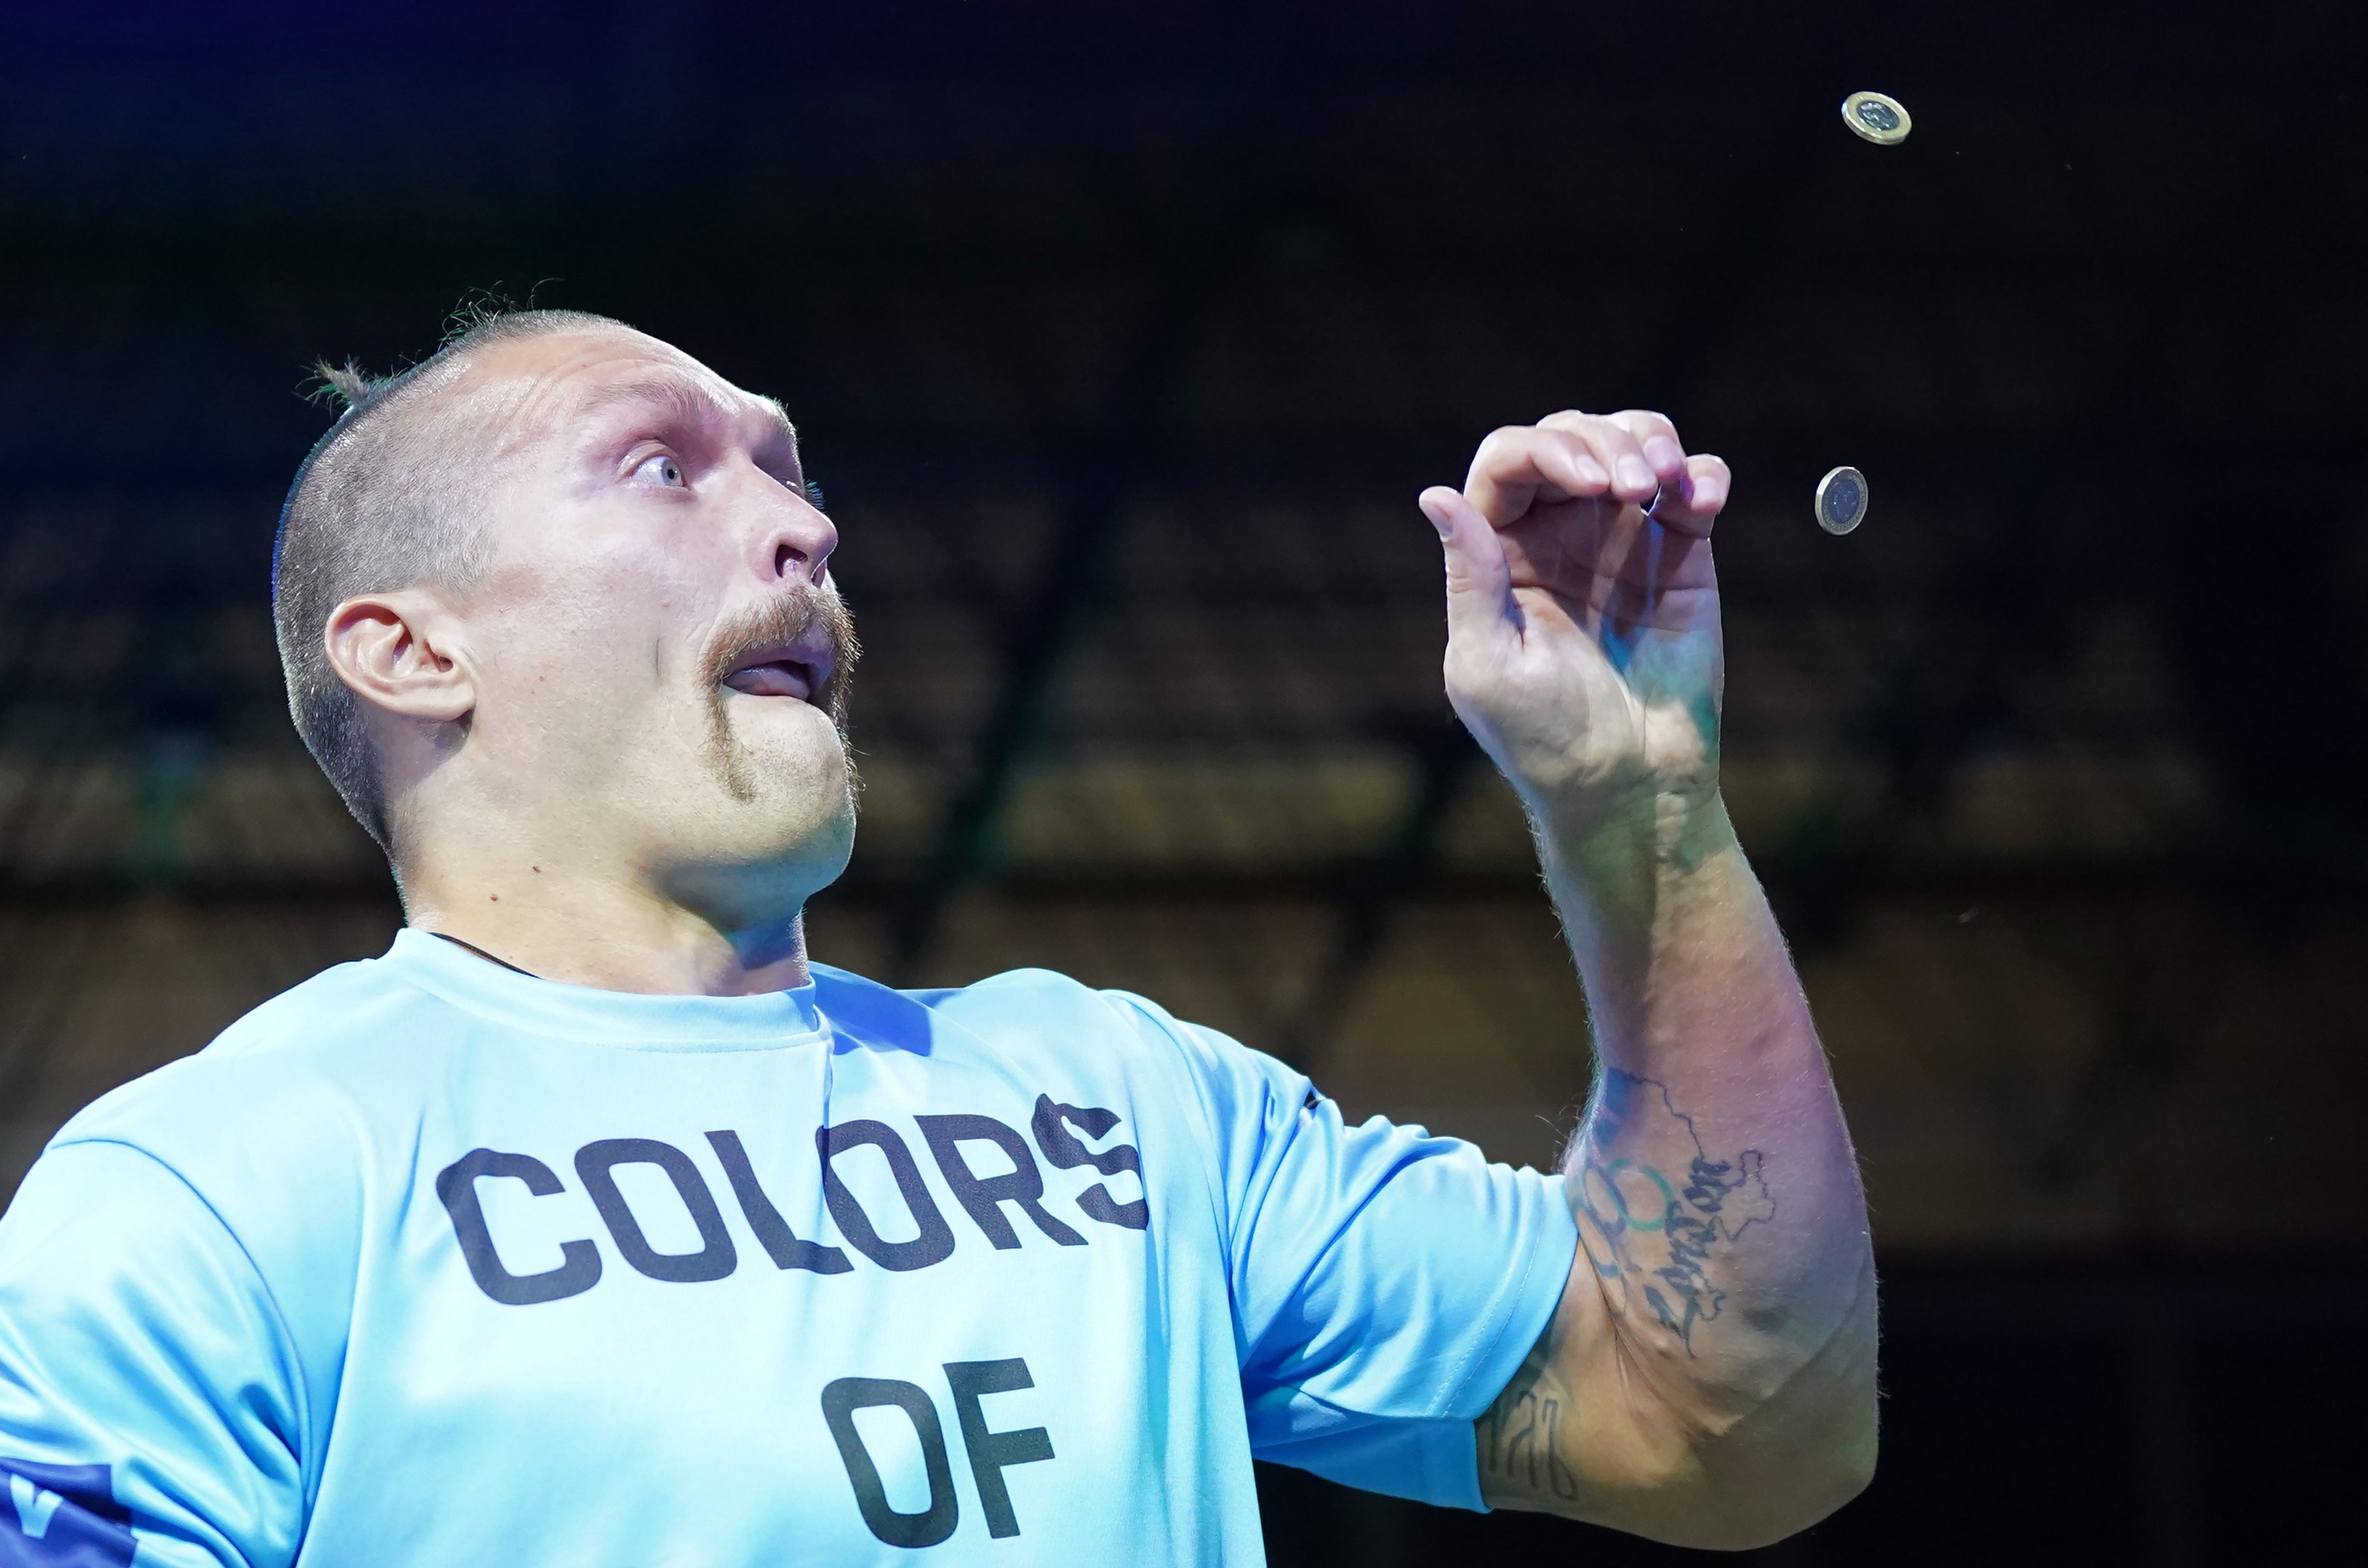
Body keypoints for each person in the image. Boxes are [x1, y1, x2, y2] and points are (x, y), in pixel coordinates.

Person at [0, 309, 1876, 1565]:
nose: (803, 522)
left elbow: (1726, 1422)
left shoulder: (1129, 1096)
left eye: (787, 467)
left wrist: (1636, 812)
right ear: (411, 646)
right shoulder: (220, 1186)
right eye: (665, 468)